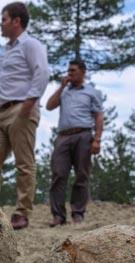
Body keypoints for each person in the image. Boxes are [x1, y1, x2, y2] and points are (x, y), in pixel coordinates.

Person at [0, 2, 50, 230]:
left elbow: (42, 73)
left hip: (22, 108)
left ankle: (22, 212)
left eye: (4, 19)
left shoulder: (31, 45)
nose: (0, 24)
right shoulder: (5, 51)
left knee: (24, 162)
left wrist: (29, 104)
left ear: (16, 21)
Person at [46, 59, 104, 226]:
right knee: (58, 174)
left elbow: (99, 116)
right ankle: (58, 216)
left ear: (83, 72)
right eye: (68, 70)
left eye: (73, 71)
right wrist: (61, 87)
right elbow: (49, 106)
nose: (69, 73)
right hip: (63, 136)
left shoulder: (92, 92)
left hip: (84, 135)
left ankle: (78, 213)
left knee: (82, 175)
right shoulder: (63, 91)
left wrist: (97, 139)